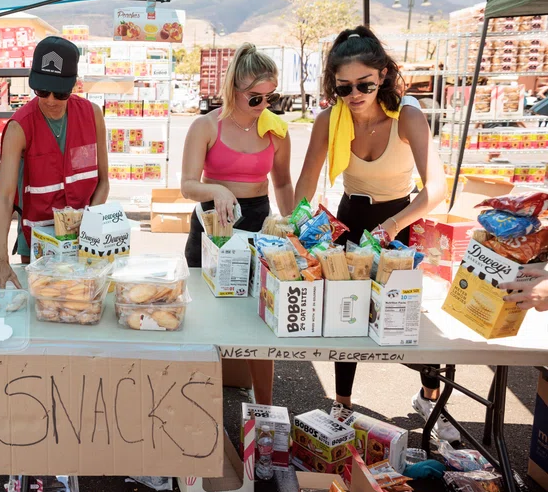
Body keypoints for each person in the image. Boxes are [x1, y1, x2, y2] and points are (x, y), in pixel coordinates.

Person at [293, 26, 456, 441]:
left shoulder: (408, 116)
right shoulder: (330, 120)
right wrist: (298, 226)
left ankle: (429, 396)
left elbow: (437, 189)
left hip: (399, 222)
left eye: (364, 84)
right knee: (345, 312)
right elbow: (306, 184)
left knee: (404, 317)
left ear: (382, 75)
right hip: (351, 219)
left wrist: (394, 226)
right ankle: (342, 404)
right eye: (344, 87)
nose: (355, 94)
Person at [180, 43, 294, 406]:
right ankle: (197, 402)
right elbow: (187, 185)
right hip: (212, 224)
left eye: (271, 97)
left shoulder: (275, 129)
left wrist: (291, 227)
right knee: (205, 314)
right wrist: (216, 189)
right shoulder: (205, 125)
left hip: (258, 221)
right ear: (233, 90)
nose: (264, 105)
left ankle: (266, 409)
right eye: (255, 98)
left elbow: (283, 182)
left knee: (260, 316)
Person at [0, 36, 109, 288]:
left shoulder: (93, 115)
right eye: (41, 91)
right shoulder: (19, 126)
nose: (50, 100)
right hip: (36, 240)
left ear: (74, 85)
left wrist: (87, 228)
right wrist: (0, 259)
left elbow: (103, 182)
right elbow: (5, 198)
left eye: (60, 93)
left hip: (85, 237)